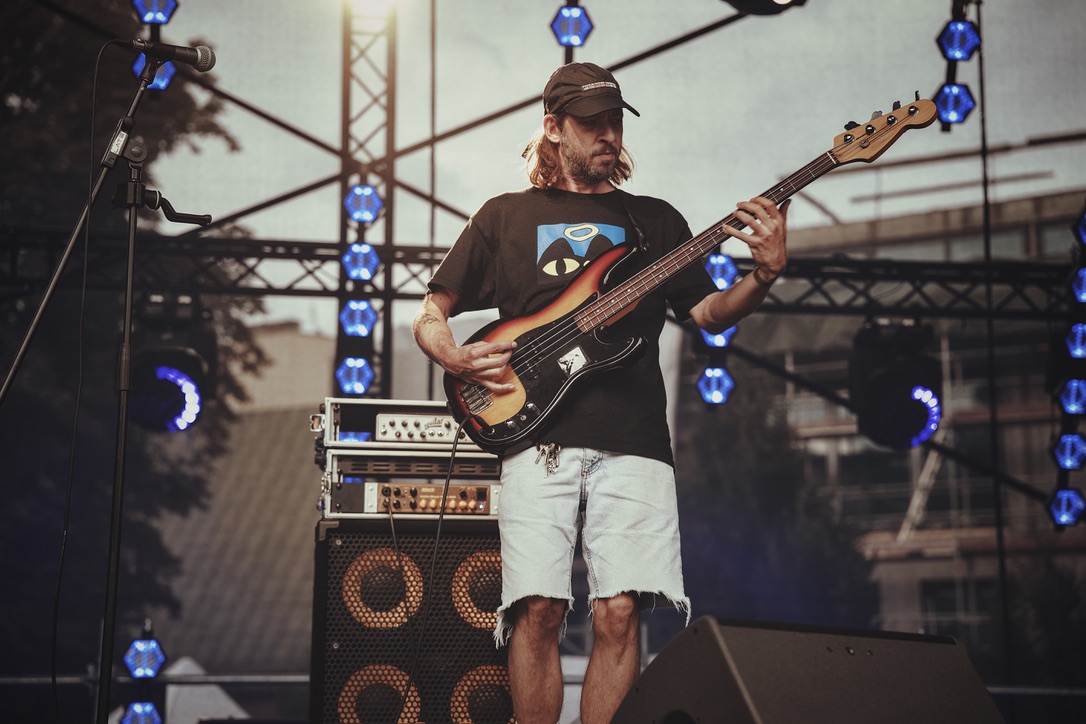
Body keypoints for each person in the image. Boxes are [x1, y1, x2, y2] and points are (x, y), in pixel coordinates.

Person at [412, 62, 788, 724]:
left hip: (635, 438)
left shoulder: (655, 223)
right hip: (534, 435)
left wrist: (763, 274)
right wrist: (454, 354)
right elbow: (431, 311)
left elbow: (707, 315)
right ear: (554, 128)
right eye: (592, 124)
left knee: (619, 612)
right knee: (538, 608)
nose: (608, 135)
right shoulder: (505, 216)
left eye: (614, 121)